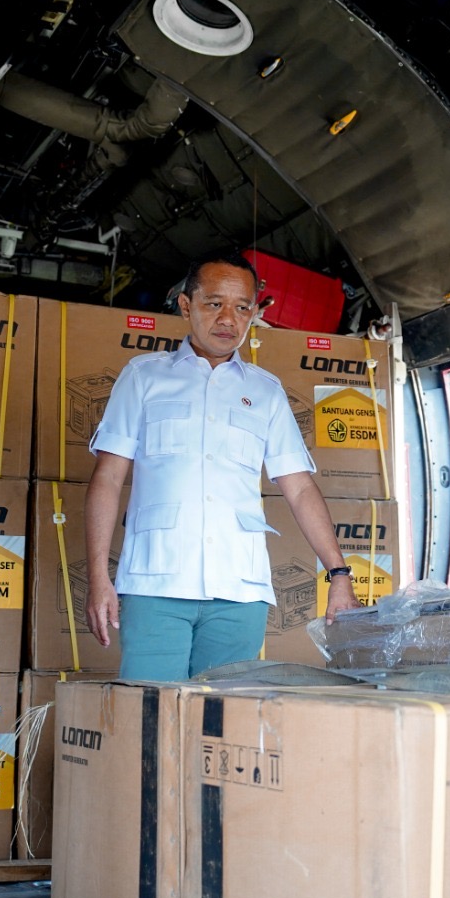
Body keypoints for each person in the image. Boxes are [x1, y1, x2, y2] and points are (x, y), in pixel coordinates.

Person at [83, 254, 360, 680]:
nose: (228, 318)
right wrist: (100, 575)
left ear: (255, 313)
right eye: (214, 303)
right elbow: (108, 479)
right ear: (185, 305)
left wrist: (339, 573)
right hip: (156, 584)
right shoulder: (143, 377)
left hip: (239, 590)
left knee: (222, 724)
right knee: (151, 718)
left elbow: (300, 489)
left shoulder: (265, 392)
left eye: (243, 307)